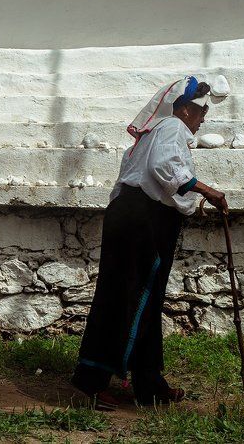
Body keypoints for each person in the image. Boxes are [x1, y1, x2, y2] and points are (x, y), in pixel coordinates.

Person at [72, 76, 229, 409]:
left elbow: (161, 180)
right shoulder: (172, 128)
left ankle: (150, 384)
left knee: (144, 299)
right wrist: (207, 191)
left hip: (134, 217)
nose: (203, 122)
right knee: (126, 297)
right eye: (201, 114)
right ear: (185, 110)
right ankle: (93, 383)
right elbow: (165, 169)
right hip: (140, 220)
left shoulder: (155, 133)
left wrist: (189, 201)